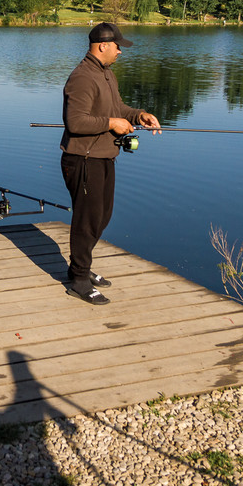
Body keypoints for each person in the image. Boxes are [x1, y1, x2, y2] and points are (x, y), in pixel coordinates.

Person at [59, 22, 160, 305]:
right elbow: (75, 122)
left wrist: (138, 115)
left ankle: (80, 267)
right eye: (117, 46)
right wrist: (111, 123)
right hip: (83, 159)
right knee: (87, 220)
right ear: (103, 45)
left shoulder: (106, 74)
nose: (120, 51)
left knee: (102, 216)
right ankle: (79, 280)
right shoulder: (82, 77)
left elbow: (117, 109)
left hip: (104, 156)